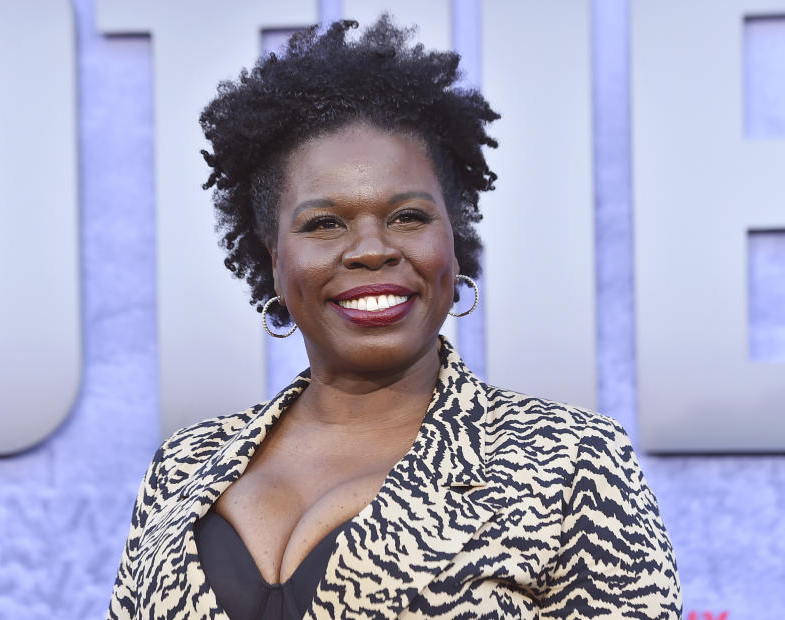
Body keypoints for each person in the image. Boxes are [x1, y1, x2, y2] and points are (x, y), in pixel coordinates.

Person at [107, 17, 681, 620]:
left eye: (407, 216)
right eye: (324, 223)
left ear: (452, 243)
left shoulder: (571, 463)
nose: (371, 249)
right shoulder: (183, 465)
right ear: (275, 261)